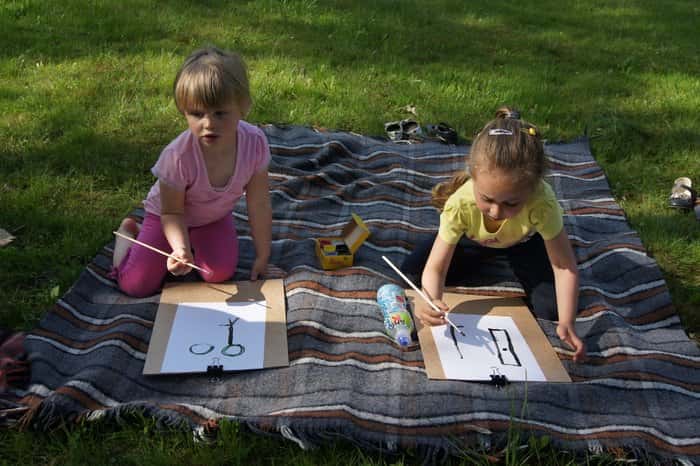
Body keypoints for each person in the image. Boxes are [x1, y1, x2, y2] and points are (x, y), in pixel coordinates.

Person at [402, 106, 585, 362]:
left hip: (524, 243)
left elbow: (564, 267)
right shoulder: (461, 204)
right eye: (487, 199)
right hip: (472, 240)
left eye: (511, 203)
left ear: (532, 189)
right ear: (473, 178)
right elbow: (436, 268)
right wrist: (431, 301)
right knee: (411, 274)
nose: (497, 212)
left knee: (552, 307)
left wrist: (567, 321)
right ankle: (486, 259)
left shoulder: (543, 203)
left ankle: (507, 262)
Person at [111, 46, 277, 297]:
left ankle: (197, 243)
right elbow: (172, 212)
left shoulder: (254, 143)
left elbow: (260, 204)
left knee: (219, 274)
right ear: (183, 110)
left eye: (220, 113)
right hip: (167, 217)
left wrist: (263, 256)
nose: (209, 123)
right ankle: (128, 234)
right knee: (135, 285)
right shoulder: (177, 156)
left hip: (213, 217)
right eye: (197, 114)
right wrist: (180, 249)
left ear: (243, 107)